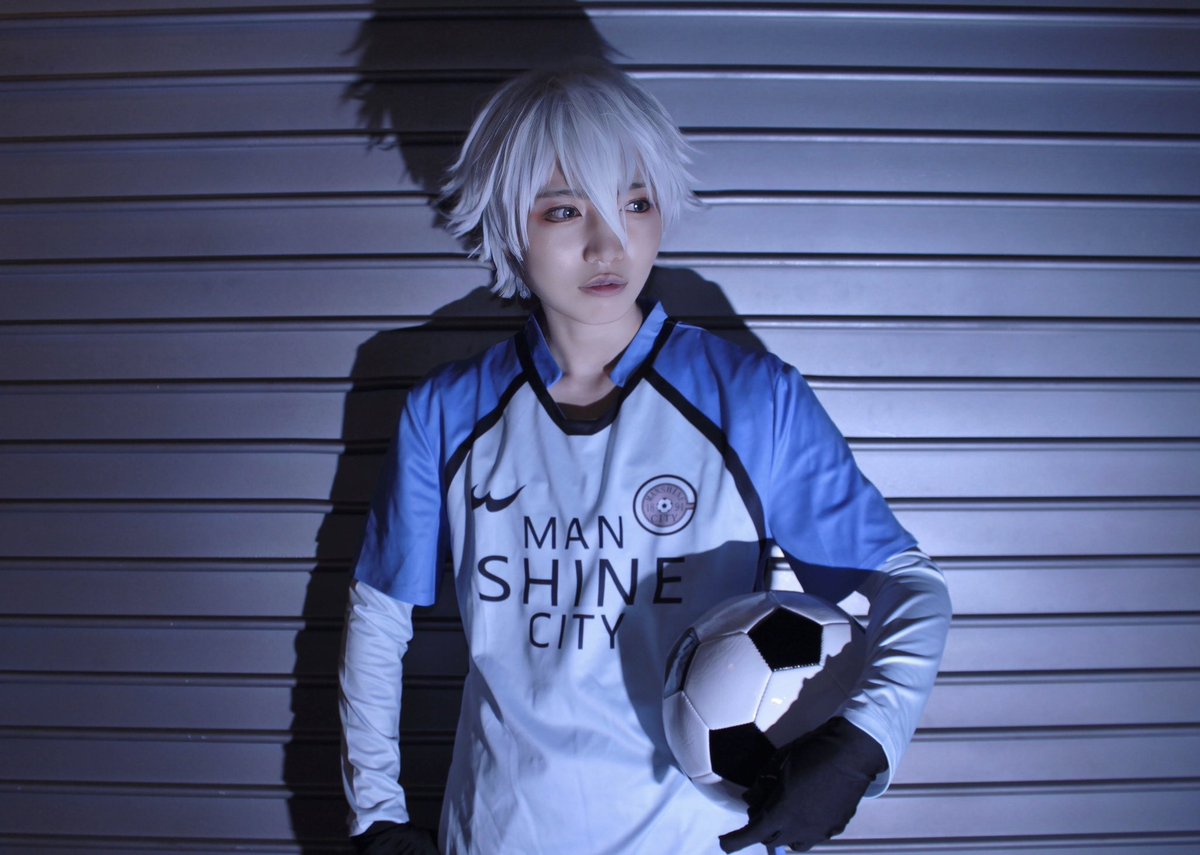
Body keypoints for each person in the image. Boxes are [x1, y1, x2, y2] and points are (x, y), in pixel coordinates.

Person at [339, 61, 952, 855]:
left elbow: (909, 585)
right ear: (507, 222)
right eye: (565, 210)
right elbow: (378, 619)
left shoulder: (751, 399)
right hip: (497, 836)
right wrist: (377, 815)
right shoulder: (447, 412)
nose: (610, 243)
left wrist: (865, 742)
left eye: (636, 203)